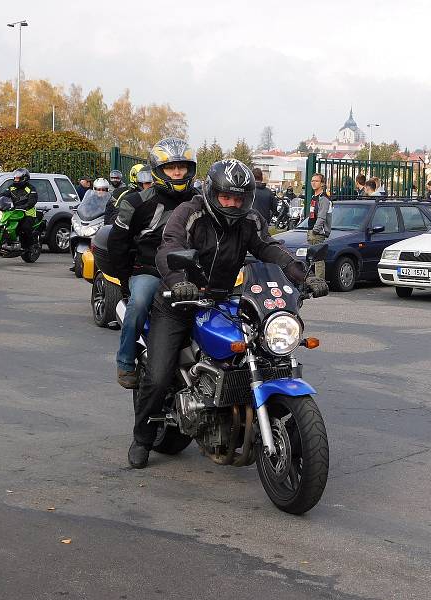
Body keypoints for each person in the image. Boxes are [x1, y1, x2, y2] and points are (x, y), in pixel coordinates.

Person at [128, 159, 326, 468]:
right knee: (158, 375)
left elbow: (270, 248)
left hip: (220, 299)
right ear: (212, 192)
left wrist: (303, 276)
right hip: (178, 301)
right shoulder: (189, 213)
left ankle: (239, 405)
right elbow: (169, 248)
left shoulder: (248, 219)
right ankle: (142, 438)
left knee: (260, 348)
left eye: (239, 197)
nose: (233, 204)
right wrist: (180, 283)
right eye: (226, 197)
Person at [109, 137, 198, 388]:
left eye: (182, 166)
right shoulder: (136, 202)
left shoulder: (202, 201)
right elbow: (117, 242)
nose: (178, 172)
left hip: (191, 273)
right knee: (138, 304)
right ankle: (125, 362)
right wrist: (126, 280)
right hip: (150, 271)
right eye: (171, 167)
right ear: (158, 171)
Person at [0, 167, 38, 249]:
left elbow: (33, 200)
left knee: (25, 228)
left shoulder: (31, 188)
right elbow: (4, 194)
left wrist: (25, 206)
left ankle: (30, 246)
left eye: (18, 178)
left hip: (27, 212)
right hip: (14, 211)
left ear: (24, 178)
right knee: (2, 222)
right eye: (15, 178)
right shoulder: (12, 187)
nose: (16, 180)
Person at [306, 172, 332, 280]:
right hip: (311, 230)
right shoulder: (314, 197)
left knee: (318, 260)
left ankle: (319, 282)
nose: (313, 183)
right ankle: (313, 281)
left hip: (317, 232)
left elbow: (321, 217)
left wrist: (315, 230)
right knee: (312, 259)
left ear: (322, 184)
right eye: (312, 181)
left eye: (316, 181)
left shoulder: (324, 198)